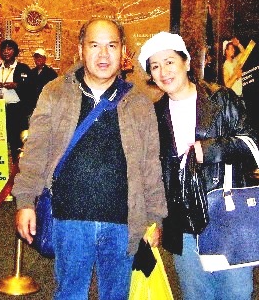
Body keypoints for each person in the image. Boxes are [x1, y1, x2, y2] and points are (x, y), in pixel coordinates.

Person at [12, 18, 167, 300]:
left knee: (116, 295)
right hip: (70, 218)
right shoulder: (56, 92)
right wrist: (25, 201)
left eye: (112, 46)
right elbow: (36, 152)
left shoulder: (139, 102)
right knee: (70, 293)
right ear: (81, 50)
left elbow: (150, 164)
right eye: (95, 45)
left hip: (123, 222)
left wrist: (154, 218)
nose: (104, 54)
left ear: (123, 53)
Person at [138, 31, 257, 300]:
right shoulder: (154, 114)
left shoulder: (221, 99)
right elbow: (152, 173)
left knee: (236, 293)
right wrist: (153, 220)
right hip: (184, 222)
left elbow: (250, 144)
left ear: (186, 63)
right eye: (155, 66)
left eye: (169, 62)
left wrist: (210, 149)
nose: (163, 71)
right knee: (196, 294)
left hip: (227, 217)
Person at [0, 39, 31, 162]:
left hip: (16, 110)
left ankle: (17, 168)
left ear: (15, 52)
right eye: (3, 49)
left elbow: (31, 87)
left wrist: (17, 85)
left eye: (9, 49)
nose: (6, 52)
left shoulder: (23, 68)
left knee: (16, 142)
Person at [25, 47, 58, 112]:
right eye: (36, 57)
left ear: (44, 59)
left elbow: (55, 90)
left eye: (40, 57)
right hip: (32, 106)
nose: (38, 59)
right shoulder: (31, 72)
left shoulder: (51, 73)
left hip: (46, 105)